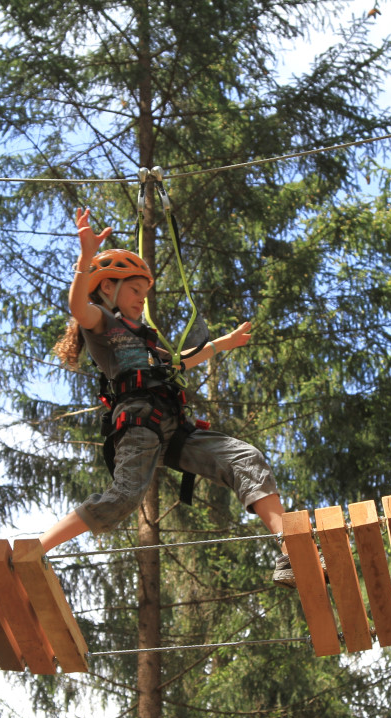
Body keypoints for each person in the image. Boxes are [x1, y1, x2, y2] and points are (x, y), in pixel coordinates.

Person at [40, 207, 300, 587]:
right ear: (108, 287)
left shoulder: (145, 342)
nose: (140, 300)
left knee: (244, 457)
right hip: (140, 427)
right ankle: (35, 549)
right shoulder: (102, 323)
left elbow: (179, 364)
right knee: (125, 497)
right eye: (134, 290)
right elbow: (77, 308)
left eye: (144, 293)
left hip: (174, 430)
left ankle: (291, 547)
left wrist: (222, 344)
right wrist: (84, 260)